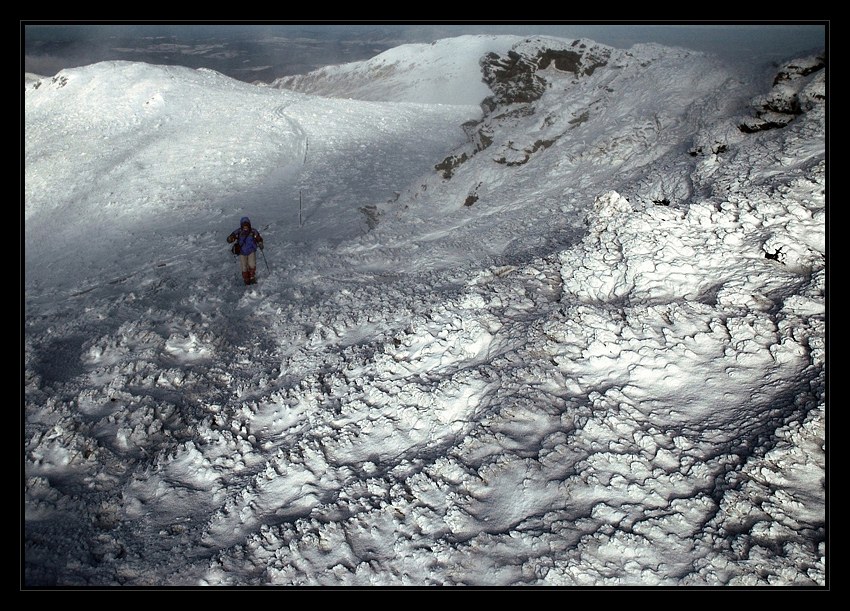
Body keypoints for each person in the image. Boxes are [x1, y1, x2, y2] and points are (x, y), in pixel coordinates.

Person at [227, 216, 264, 285]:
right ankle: (246, 279)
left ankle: (252, 277)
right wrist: (230, 238)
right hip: (242, 252)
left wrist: (260, 243)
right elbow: (232, 236)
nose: (245, 227)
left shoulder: (253, 231)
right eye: (244, 225)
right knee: (244, 267)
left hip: (251, 250)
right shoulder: (238, 231)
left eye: (246, 225)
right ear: (241, 225)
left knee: (252, 264)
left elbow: (259, 238)